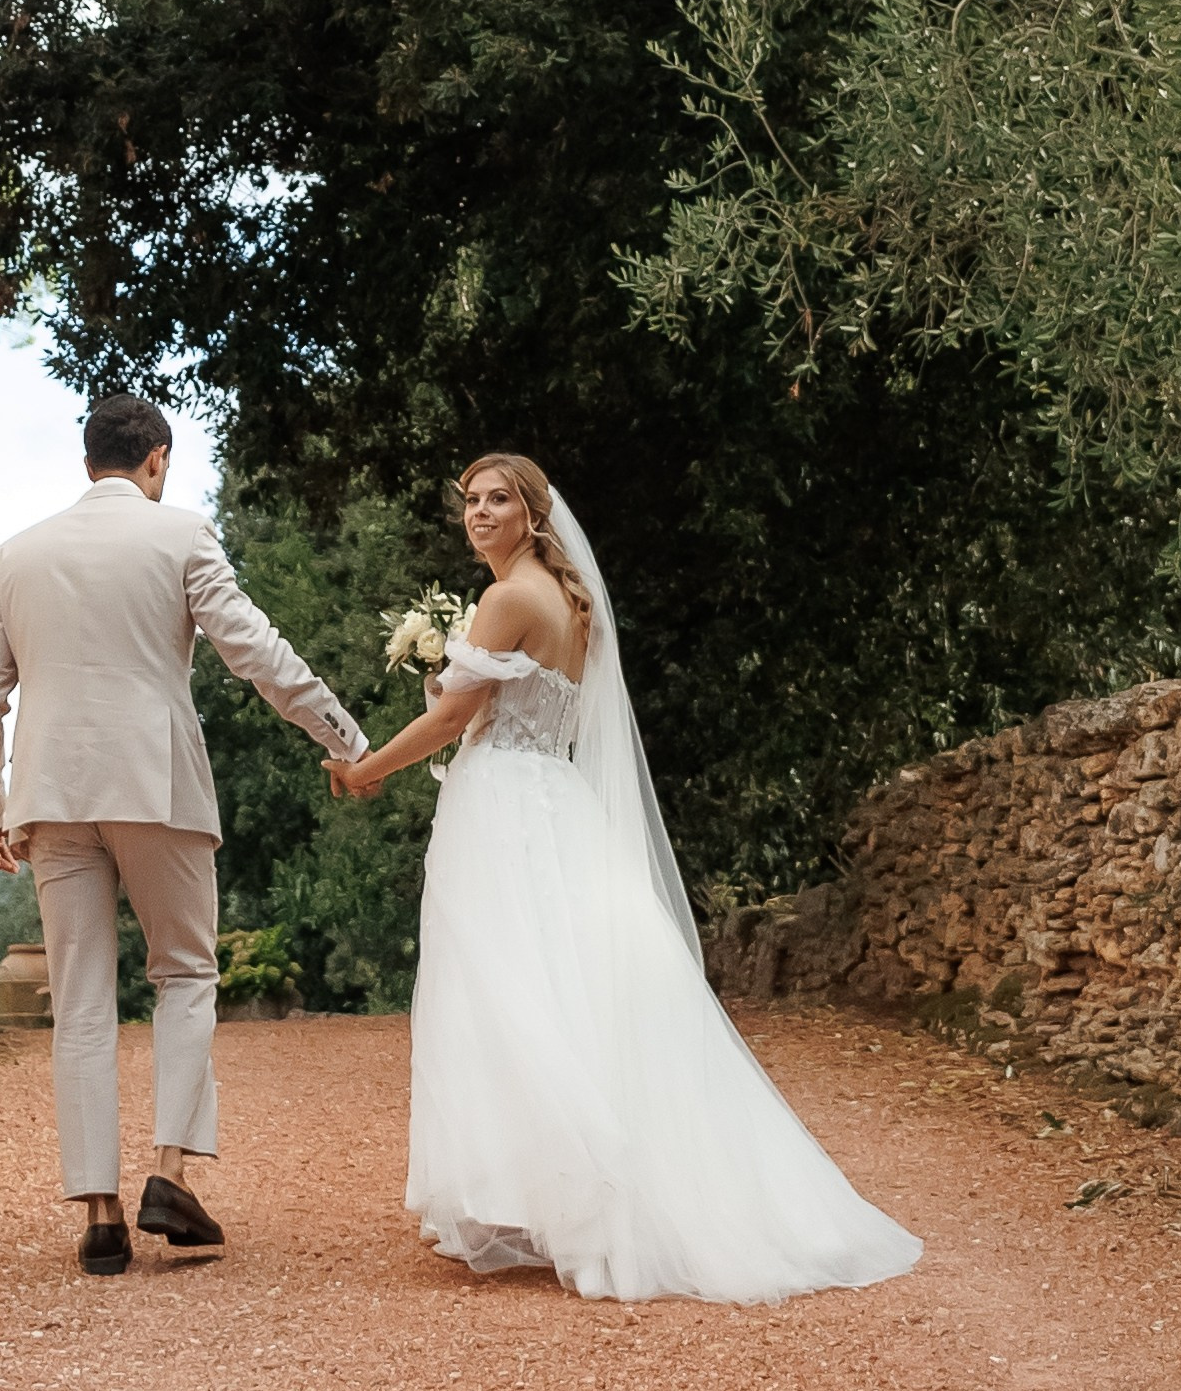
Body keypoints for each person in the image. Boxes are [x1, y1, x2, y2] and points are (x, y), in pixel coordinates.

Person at [328, 449, 922, 1304]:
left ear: (534, 512)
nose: (480, 513)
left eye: (499, 500)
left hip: (503, 807)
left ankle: (576, 1194)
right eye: (471, 501)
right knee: (564, 988)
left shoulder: (507, 598)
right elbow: (497, 702)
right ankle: (555, 1192)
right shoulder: (568, 600)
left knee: (508, 992)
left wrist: (362, 768)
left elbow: (459, 714)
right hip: (554, 801)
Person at [0, 392, 367, 1276]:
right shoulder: (180, 536)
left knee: (81, 996)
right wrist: (341, 735)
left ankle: (101, 1215)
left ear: (86, 462)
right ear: (159, 459)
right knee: (184, 972)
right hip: (157, 785)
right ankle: (170, 1174)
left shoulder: (16, 555)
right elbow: (251, 648)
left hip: (54, 795)